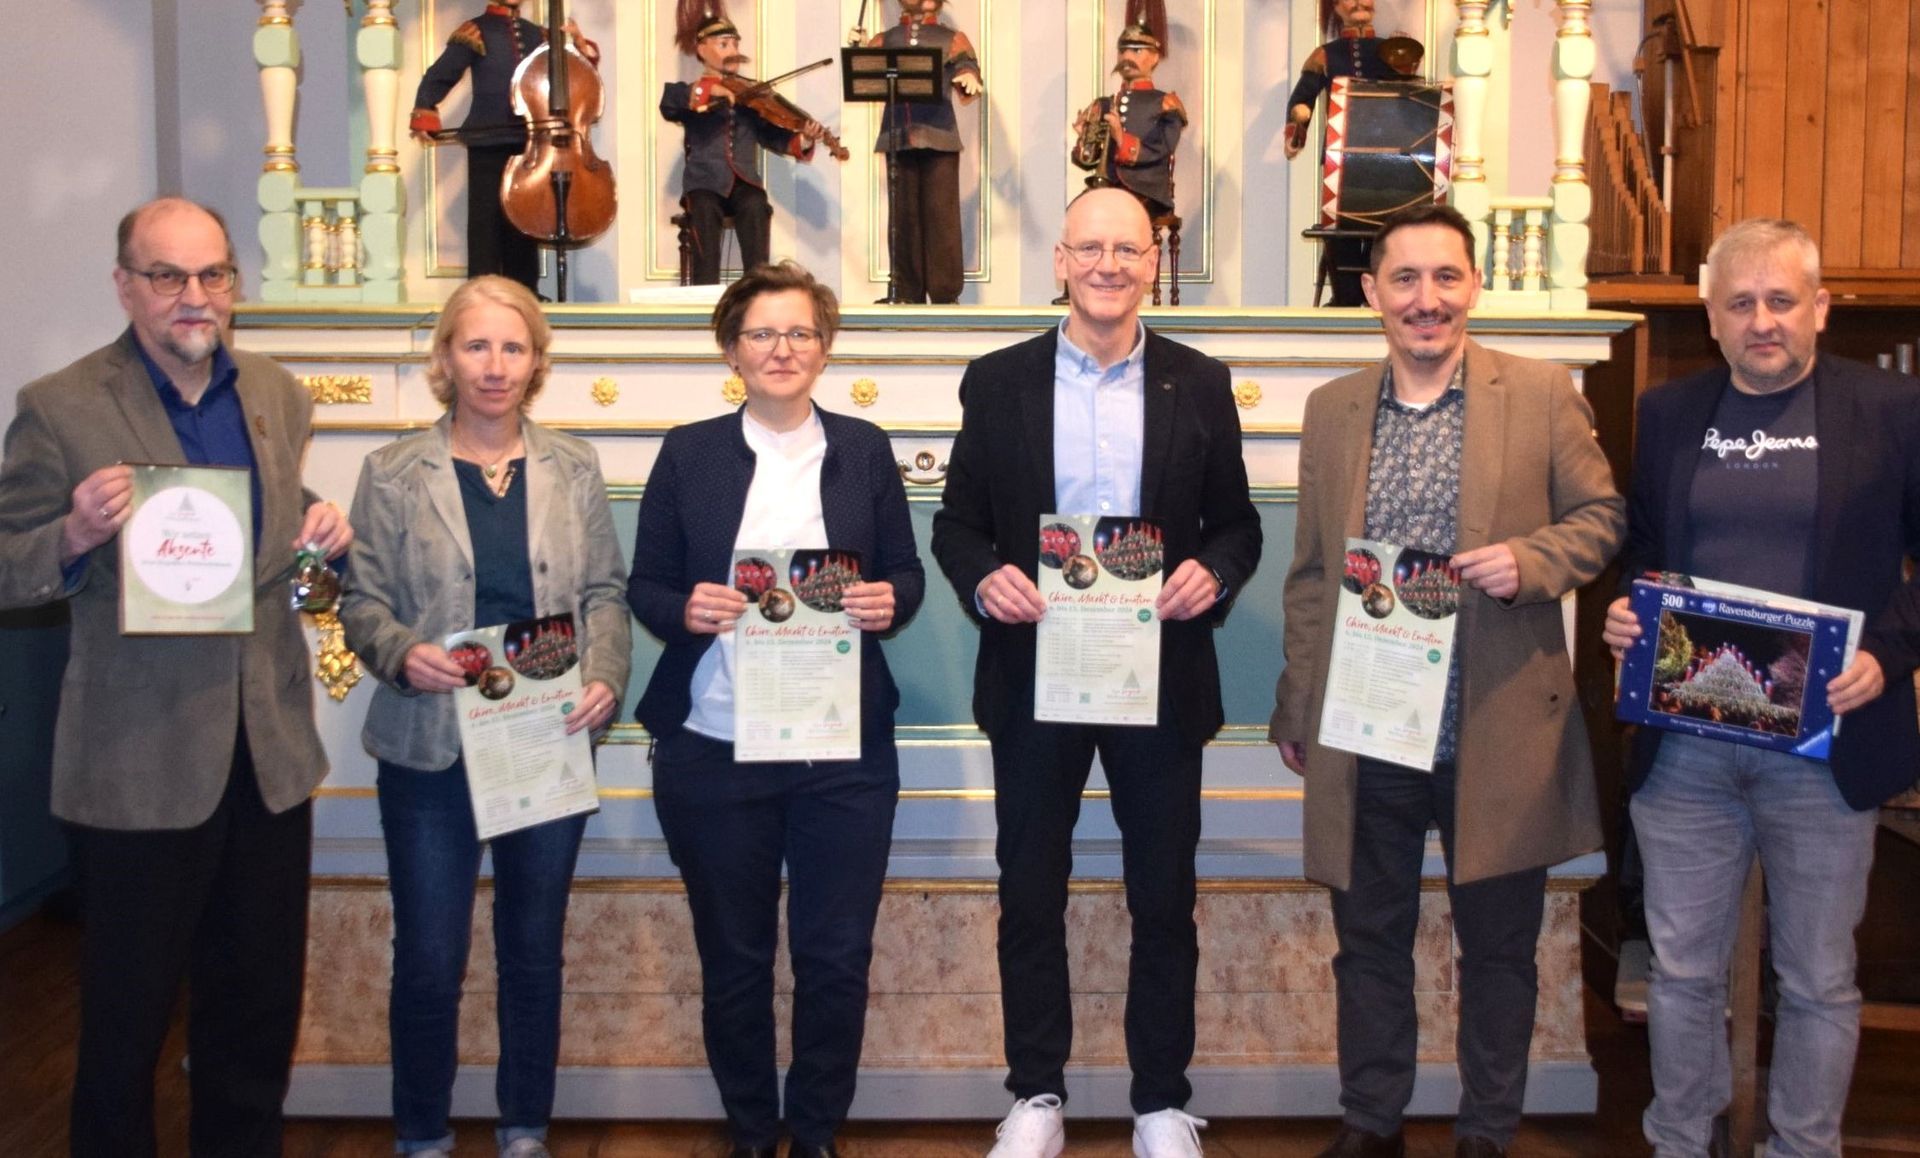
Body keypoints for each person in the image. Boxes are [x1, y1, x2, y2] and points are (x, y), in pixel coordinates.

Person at [1269, 203, 1624, 1158]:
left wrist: (1531, 561)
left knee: (1500, 950)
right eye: (1406, 279)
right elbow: (1311, 573)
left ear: (1473, 285)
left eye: (1446, 277)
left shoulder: (1541, 393)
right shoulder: (1334, 409)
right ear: (1373, 293)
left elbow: (1601, 518)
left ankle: (1487, 1130)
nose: (1427, 300)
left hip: (1497, 724)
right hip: (1370, 723)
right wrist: (1298, 702)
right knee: (1368, 942)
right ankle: (1370, 1120)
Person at [0, 196, 353, 1156]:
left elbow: (267, 534)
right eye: (168, 276)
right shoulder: (61, 404)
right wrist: (72, 533)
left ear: (233, 285)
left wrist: (322, 529)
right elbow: (9, 560)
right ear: (126, 287)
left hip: (266, 758)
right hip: (135, 764)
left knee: (254, 1016)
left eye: (212, 275)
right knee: (127, 1027)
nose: (193, 296)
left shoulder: (275, 394)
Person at [930, 187, 1262, 1158]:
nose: (1109, 264)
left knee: (1164, 896)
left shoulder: (1201, 381)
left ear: (1153, 262)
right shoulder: (998, 381)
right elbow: (957, 525)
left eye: (1128, 248)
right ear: (1062, 261)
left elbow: (1238, 525)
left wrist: (1215, 573)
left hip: (1161, 677)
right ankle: (1036, 1095)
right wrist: (985, 577)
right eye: (1091, 248)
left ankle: (1161, 1102)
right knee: (1030, 891)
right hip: (1035, 673)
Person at [1600, 218, 1920, 1158]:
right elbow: (1647, 551)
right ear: (1712, 317)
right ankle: (1679, 1142)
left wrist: (1888, 653)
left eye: (1782, 300)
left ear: (1820, 307)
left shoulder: (1891, 409)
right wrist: (1630, 611)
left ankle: (1802, 1148)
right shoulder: (1669, 412)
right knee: (1681, 972)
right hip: (1688, 751)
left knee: (1818, 979)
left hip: (1826, 749)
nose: (1762, 320)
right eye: (1740, 303)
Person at [627, 260, 925, 1158]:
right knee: (735, 961)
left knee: (835, 960)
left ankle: (817, 1130)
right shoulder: (688, 452)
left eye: (800, 333)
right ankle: (754, 1132)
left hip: (843, 752)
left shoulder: (863, 449)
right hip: (715, 747)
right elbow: (646, 585)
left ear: (825, 348)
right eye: (762, 333)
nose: (782, 349)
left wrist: (887, 601)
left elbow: (905, 575)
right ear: (732, 349)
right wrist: (685, 608)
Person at [336, 275, 630, 1158]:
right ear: (446, 357)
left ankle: (524, 1128)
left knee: (533, 953)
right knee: (430, 959)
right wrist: (400, 652)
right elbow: (362, 601)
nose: (495, 366)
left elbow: (604, 594)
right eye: (476, 346)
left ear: (536, 360)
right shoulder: (392, 472)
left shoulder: (573, 466)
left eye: (512, 347)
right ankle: (421, 1133)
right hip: (430, 752)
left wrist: (605, 676)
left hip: (545, 742)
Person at [409, 0, 600, 292]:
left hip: (530, 146)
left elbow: (575, 77)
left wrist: (579, 47)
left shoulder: (540, 36)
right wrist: (425, 108)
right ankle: (482, 293)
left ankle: (524, 293)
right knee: (485, 228)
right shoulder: (475, 31)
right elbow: (440, 74)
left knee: (524, 226)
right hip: (487, 143)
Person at [663, 0, 826, 285]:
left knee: (755, 205)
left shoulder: (750, 95)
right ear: (702, 49)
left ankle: (757, 288)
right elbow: (670, 104)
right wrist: (710, 89)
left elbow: (771, 135)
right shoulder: (688, 92)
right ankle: (704, 292)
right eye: (724, 44)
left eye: (736, 44)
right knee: (704, 211)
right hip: (704, 183)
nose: (733, 51)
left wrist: (804, 139)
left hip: (743, 182)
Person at [1281, 0, 1423, 306]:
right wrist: (1298, 123)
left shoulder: (1392, 49)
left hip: (1386, 157)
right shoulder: (1325, 55)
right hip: (1341, 158)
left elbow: (1409, 99)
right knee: (1340, 229)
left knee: (1382, 229)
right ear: (1335, 7)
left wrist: (1405, 64)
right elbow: (1302, 98)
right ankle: (1346, 297)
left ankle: (1379, 297)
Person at [867, 0, 984, 304]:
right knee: (902, 217)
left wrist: (969, 75)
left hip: (940, 135)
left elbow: (967, 66)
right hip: (898, 137)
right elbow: (865, 73)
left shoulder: (951, 38)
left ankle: (945, 292)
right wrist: (858, 51)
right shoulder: (886, 39)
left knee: (941, 216)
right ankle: (906, 291)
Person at [1070, 0, 1184, 221]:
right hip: (1107, 188)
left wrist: (1122, 139)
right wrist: (1084, 139)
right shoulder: (1104, 103)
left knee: (1117, 216)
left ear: (1155, 57)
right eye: (1123, 51)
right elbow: (1087, 161)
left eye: (1137, 51)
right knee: (1076, 214)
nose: (1127, 57)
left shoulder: (1166, 103)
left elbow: (1162, 149)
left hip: (1147, 191)